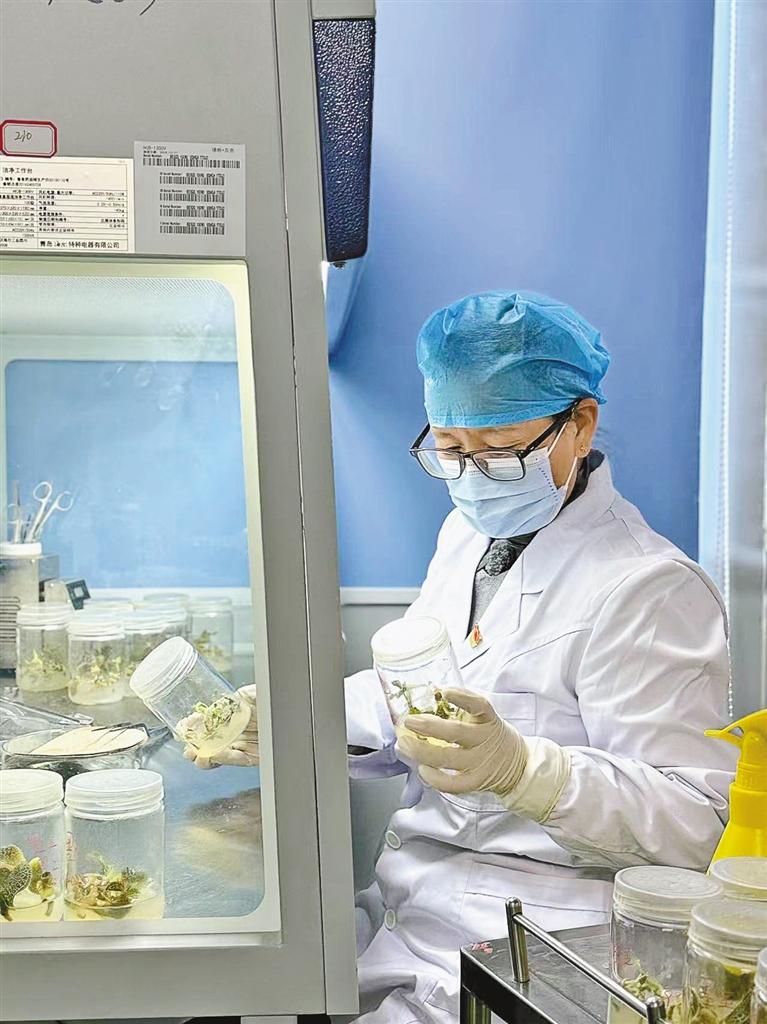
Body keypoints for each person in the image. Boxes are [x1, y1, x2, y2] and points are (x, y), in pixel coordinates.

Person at [187, 291, 736, 1024]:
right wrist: (295, 717)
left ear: (579, 425)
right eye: (450, 449)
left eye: (500, 450)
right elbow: (418, 688)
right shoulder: (469, 537)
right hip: (412, 908)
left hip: (537, 944)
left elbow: (695, 824)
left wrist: (526, 772)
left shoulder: (649, 588)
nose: (472, 476)